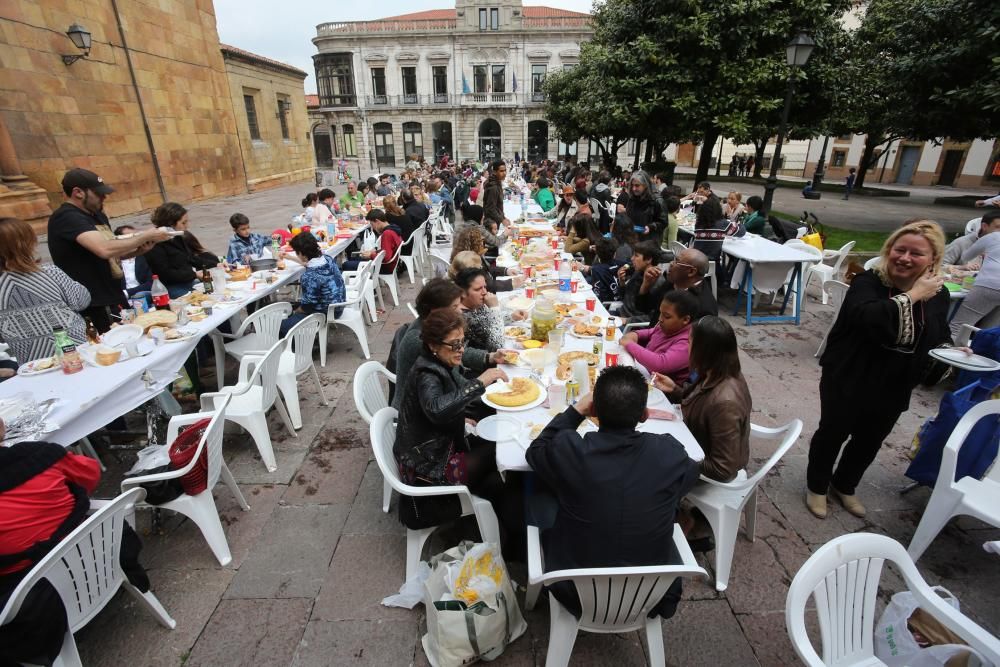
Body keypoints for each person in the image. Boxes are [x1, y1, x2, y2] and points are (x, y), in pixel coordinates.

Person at [526, 365, 700, 619]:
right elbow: (690, 476)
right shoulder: (669, 453)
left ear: (594, 412)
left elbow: (536, 450)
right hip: (651, 594)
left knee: (537, 493)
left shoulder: (571, 451)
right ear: (644, 415)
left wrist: (575, 412)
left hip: (573, 591)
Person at [805, 220, 951, 519]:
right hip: (849, 375)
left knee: (870, 439)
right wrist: (913, 295)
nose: (905, 258)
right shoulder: (868, 282)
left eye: (917, 253)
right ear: (889, 251)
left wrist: (953, 348)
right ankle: (817, 486)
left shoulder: (940, 294)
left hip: (896, 382)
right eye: (900, 250)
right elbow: (866, 317)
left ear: (933, 259)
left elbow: (938, 331)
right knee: (832, 433)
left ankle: (844, 485)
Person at [0, 423, 152, 666]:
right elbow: (90, 476)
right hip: (98, 558)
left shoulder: (41, 455)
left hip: (36, 607)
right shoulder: (42, 455)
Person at [394, 309, 522, 552]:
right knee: (505, 451)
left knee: (501, 464)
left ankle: (509, 535)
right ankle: (513, 541)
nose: (461, 349)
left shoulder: (437, 362)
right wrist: (481, 381)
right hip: (428, 470)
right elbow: (437, 408)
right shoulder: (426, 373)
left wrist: (462, 419)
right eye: (454, 345)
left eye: (462, 342)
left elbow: (443, 408)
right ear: (433, 345)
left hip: (434, 449)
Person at [47, 168, 170, 332]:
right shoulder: (67, 217)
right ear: (78, 192)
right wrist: (144, 235)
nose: (104, 197)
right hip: (95, 301)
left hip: (115, 294)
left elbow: (111, 254)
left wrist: (137, 251)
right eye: (99, 194)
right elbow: (103, 249)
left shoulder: (97, 215)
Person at [653, 315, 752, 485]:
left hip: (704, 473)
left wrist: (676, 455)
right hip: (691, 440)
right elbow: (700, 402)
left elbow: (722, 470)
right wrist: (675, 390)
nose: (686, 347)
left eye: (689, 343)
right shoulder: (716, 370)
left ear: (703, 350)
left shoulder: (725, 403)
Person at [391, 279, 504, 409]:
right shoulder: (421, 340)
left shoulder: (433, 327)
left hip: (436, 402)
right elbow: (458, 386)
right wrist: (484, 384)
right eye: (454, 307)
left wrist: (489, 357)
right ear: (435, 310)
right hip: (415, 415)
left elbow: (458, 350)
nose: (460, 311)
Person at [0, 218, 91, 361]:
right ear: (27, 243)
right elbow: (81, 300)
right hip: (74, 351)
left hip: (33, 363)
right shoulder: (50, 272)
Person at [620, 290, 698, 381]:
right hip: (644, 371)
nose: (660, 319)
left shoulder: (687, 343)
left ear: (685, 319)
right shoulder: (668, 328)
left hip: (660, 389)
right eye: (660, 313)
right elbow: (649, 332)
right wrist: (634, 335)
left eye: (667, 316)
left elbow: (660, 364)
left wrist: (629, 344)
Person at [279, 233, 345, 337]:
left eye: (297, 253)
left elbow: (307, 306)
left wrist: (294, 312)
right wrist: (290, 258)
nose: (297, 255)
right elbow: (308, 262)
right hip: (339, 305)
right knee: (294, 307)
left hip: (324, 313)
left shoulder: (309, 276)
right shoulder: (327, 259)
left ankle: (300, 347)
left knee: (279, 327)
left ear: (302, 254)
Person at [633, 248, 719, 324]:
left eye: (677, 261)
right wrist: (646, 285)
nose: (671, 263)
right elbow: (643, 308)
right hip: (650, 334)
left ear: (691, 272)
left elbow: (690, 340)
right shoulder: (673, 282)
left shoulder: (705, 307)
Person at [949, 218, 1000, 337]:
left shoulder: (993, 236)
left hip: (989, 284)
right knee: (990, 332)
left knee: (959, 328)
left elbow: (966, 257)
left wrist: (985, 252)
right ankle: (981, 353)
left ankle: (944, 354)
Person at [454, 268, 525, 353]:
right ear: (463, 293)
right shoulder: (464, 317)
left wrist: (511, 317)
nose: (484, 292)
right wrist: (494, 308)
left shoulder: (474, 304)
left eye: (485, 287)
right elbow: (497, 346)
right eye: (478, 289)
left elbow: (489, 322)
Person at [143, 202, 201, 298]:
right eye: (183, 223)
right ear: (171, 223)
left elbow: (190, 258)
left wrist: (214, 264)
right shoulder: (155, 243)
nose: (187, 226)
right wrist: (194, 274)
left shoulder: (177, 236)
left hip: (189, 280)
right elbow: (165, 274)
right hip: (171, 287)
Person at [449, 228, 521, 292]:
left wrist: (505, 271)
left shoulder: (472, 255)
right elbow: (486, 285)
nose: (483, 244)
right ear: (474, 244)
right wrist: (509, 284)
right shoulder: (467, 262)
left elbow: (487, 269)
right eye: (481, 241)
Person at [342, 209, 402, 273]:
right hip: (389, 264)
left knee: (346, 265)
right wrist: (374, 252)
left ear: (377, 221)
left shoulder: (387, 233)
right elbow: (387, 250)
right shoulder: (394, 228)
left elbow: (386, 257)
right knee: (354, 258)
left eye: (372, 224)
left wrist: (371, 255)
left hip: (383, 267)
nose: (372, 228)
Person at [616, 241, 662, 320]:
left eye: (636, 256)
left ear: (648, 259)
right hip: (621, 314)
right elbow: (624, 298)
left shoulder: (657, 282)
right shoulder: (638, 272)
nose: (632, 258)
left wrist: (627, 321)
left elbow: (652, 318)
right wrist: (622, 282)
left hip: (631, 324)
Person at [619, 170, 666, 241]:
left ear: (645, 185)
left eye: (637, 185)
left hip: (649, 242)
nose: (634, 188)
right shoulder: (632, 198)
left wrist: (650, 227)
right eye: (632, 185)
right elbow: (629, 215)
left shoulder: (657, 201)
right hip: (633, 238)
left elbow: (663, 222)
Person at [113, 224, 153, 297]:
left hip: (144, 294)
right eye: (130, 237)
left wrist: (128, 293)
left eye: (136, 236)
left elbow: (151, 283)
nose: (135, 240)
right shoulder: (114, 261)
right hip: (121, 298)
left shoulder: (143, 257)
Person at [581, 237, 621, 303]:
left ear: (597, 253)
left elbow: (598, 295)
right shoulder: (619, 264)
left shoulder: (596, 270)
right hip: (617, 299)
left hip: (605, 304)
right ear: (615, 253)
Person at [482, 160, 510, 234]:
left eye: (505, 170)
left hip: (494, 221)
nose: (504, 173)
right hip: (491, 224)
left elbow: (497, 205)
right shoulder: (493, 187)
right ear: (494, 172)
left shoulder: (497, 182)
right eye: (501, 171)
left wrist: (503, 217)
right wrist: (502, 219)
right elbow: (490, 208)